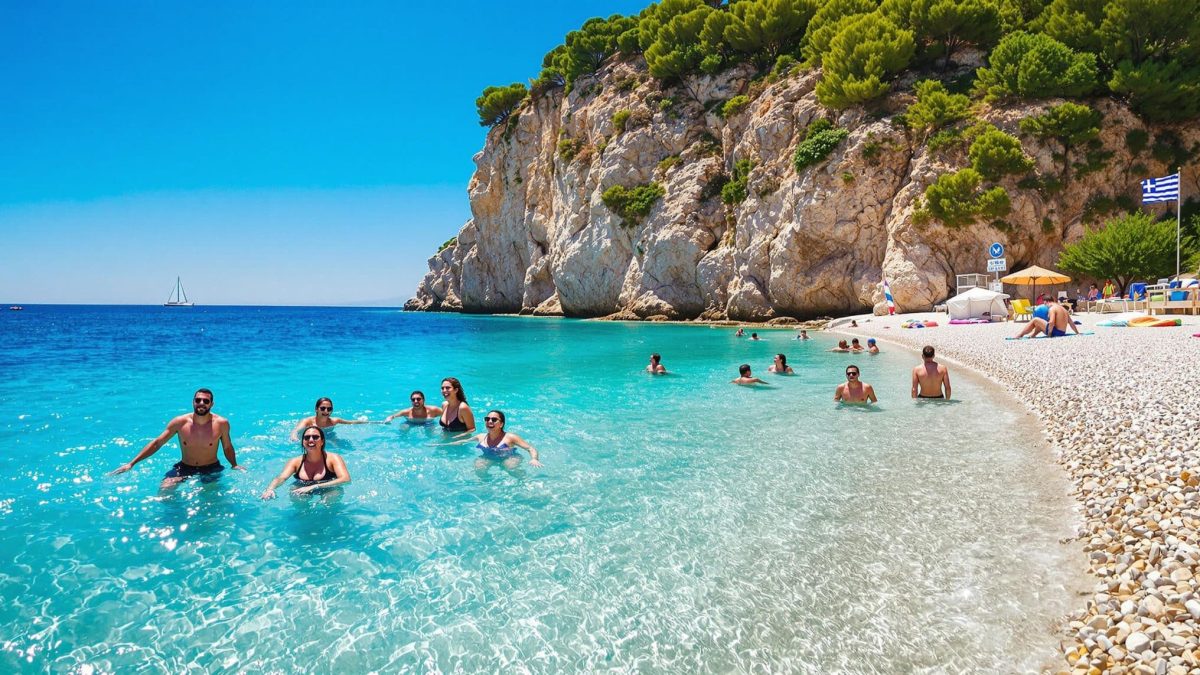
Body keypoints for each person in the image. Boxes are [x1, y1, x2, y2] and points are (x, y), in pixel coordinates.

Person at [111, 388, 244, 486]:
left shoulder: (221, 423)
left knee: (209, 501)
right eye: (198, 400)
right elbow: (158, 443)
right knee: (165, 490)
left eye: (206, 401)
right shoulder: (180, 422)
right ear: (193, 402)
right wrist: (131, 463)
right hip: (185, 467)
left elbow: (227, 447)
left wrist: (234, 465)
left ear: (211, 404)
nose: (201, 403)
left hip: (211, 468)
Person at [259, 426, 351, 499]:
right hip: (302, 486)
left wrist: (315, 486)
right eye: (307, 438)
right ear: (303, 442)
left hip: (329, 487)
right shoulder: (295, 461)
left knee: (327, 502)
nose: (311, 440)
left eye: (315, 437)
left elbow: (345, 479)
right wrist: (270, 489)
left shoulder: (333, 458)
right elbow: (281, 477)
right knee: (297, 496)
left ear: (322, 441)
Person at [469, 410, 542, 470]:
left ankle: (523, 481)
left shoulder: (510, 437)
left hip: (509, 458)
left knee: (510, 466)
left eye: (494, 419)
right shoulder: (481, 437)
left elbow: (530, 448)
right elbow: (464, 441)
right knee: (479, 467)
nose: (490, 421)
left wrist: (534, 459)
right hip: (488, 458)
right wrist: (457, 442)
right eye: (487, 419)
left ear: (501, 424)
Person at [290, 397, 369, 440]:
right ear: (316, 409)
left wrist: (370, 422)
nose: (326, 411)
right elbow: (295, 431)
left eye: (329, 409)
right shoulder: (307, 422)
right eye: (323, 408)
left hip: (327, 436)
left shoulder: (334, 421)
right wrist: (294, 438)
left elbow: (351, 422)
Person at [1012, 298, 1080, 338]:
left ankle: (1020, 335)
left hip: (1055, 333)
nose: (1045, 306)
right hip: (1062, 332)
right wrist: (1077, 333)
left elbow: (1051, 322)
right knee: (1041, 323)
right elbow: (1071, 322)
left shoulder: (1052, 309)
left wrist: (1049, 334)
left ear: (1047, 302)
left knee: (1035, 320)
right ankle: (1033, 335)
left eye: (1045, 304)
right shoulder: (1063, 309)